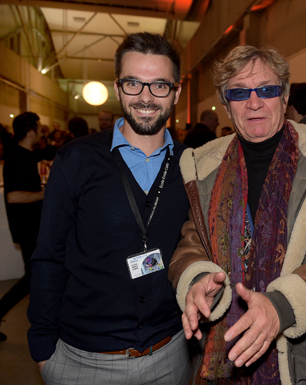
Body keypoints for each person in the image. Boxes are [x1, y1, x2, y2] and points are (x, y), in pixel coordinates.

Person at [168, 45, 306, 385]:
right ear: (226, 102)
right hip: (223, 354)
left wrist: (282, 306)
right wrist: (197, 278)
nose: (254, 102)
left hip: (304, 362)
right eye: (239, 92)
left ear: (285, 95)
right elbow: (191, 244)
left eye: (266, 90)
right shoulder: (204, 168)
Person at [27, 32, 194, 385]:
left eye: (160, 86)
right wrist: (42, 350)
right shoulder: (75, 160)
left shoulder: (191, 166)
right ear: (118, 88)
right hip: (83, 360)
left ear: (176, 92)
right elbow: (48, 256)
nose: (146, 97)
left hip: (169, 355)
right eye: (134, 83)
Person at [0, 112, 44, 342]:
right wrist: (44, 193)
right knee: (32, 276)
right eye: (39, 127)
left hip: (32, 226)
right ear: (30, 131)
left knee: (36, 275)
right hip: (27, 228)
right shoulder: (17, 157)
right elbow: (14, 196)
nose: (41, 131)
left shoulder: (26, 155)